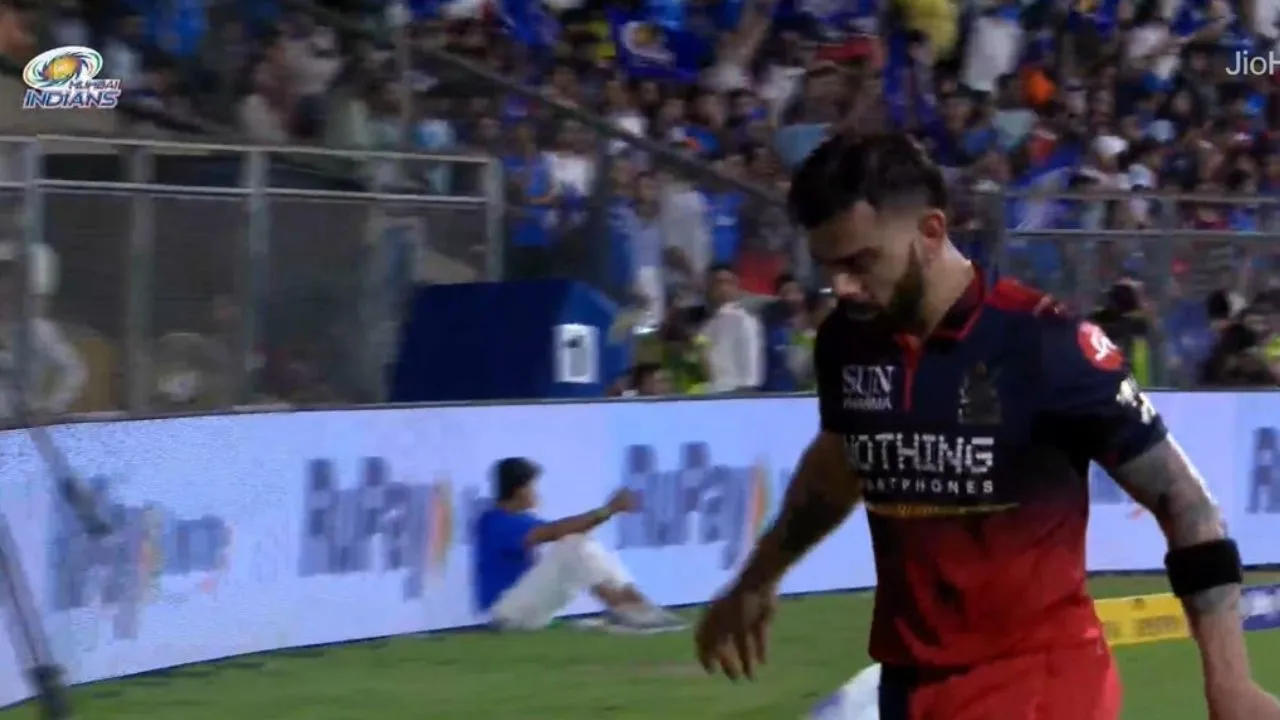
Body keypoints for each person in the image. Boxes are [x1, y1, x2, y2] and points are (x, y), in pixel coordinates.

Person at [694, 133, 1280, 719]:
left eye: (860, 262)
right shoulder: (847, 342)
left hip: (1039, 688)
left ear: (931, 231)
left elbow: (1184, 502)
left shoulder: (1045, 343)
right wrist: (758, 577)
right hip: (909, 685)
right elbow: (841, 464)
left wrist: (1229, 684)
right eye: (829, 267)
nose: (842, 287)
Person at [473, 457, 686, 633]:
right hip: (507, 613)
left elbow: (561, 530)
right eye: (532, 487)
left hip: (527, 610)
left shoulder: (519, 519)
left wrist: (607, 512)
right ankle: (629, 610)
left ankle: (639, 607)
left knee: (577, 542)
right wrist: (608, 510)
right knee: (573, 543)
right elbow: (554, 531)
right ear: (520, 490)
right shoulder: (494, 522)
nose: (536, 493)